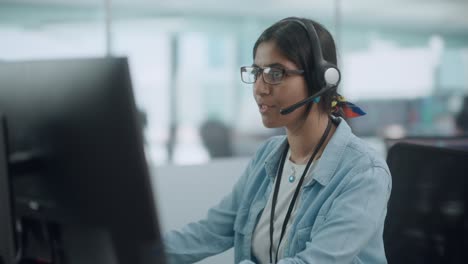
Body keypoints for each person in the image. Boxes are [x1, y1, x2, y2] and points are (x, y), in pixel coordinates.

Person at [163, 17, 392, 264]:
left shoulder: (364, 174)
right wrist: (137, 251)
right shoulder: (269, 156)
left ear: (319, 80)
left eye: (275, 73)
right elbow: (210, 232)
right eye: (256, 72)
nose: (259, 88)